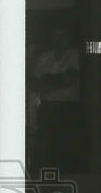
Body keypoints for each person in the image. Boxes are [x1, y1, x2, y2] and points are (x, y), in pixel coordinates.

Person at [28, 22, 82, 172]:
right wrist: (54, 81)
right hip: (46, 109)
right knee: (46, 151)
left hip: (67, 109)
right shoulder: (45, 56)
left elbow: (69, 79)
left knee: (65, 151)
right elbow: (33, 82)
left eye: (62, 35)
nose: (58, 40)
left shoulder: (75, 55)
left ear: (70, 37)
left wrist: (46, 80)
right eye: (55, 36)